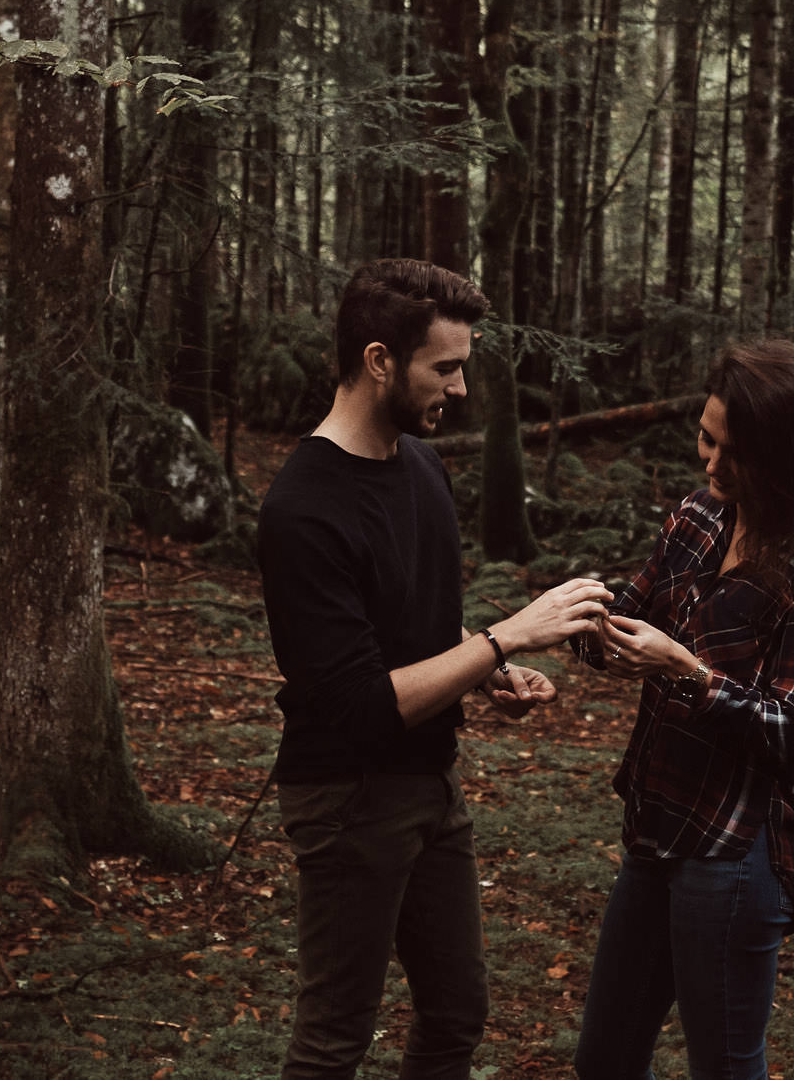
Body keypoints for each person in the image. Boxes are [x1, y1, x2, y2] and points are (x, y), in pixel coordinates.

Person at [257, 258, 614, 1080]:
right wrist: (503, 641)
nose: (459, 389)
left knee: (456, 1012)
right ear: (381, 360)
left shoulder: (420, 465)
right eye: (445, 368)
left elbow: (407, 623)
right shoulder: (302, 509)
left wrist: (487, 671)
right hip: (347, 799)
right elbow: (359, 706)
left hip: (429, 782)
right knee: (332, 1041)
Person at [570, 338, 794, 1080]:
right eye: (707, 437)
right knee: (603, 1058)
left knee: (724, 1068)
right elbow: (627, 619)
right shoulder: (699, 517)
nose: (712, 463)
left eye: (736, 451)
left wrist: (692, 673)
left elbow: (790, 733)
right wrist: (573, 624)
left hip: (732, 855)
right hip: (656, 826)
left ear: (786, 454)